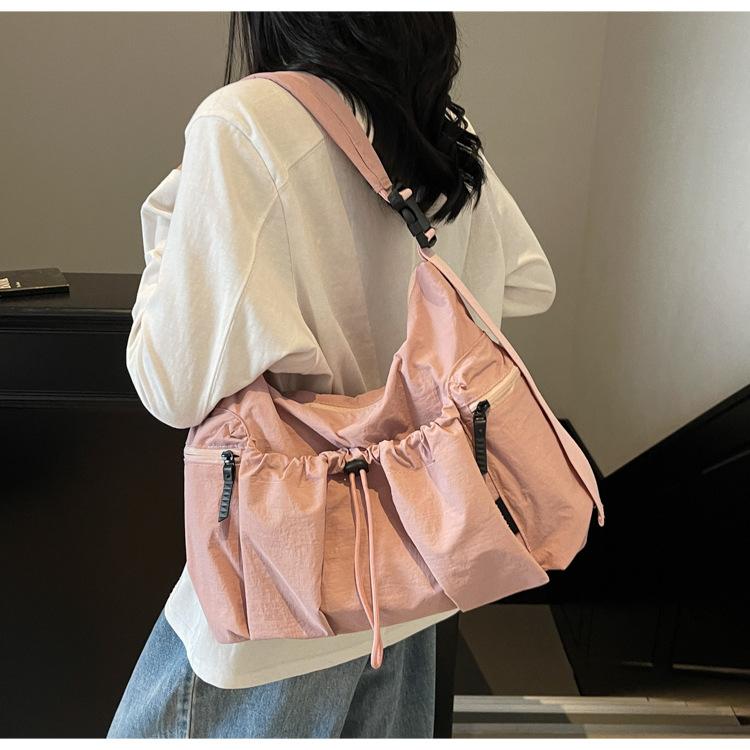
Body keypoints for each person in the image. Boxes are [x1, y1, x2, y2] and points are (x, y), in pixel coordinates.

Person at [107, 11, 556, 740]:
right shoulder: (440, 128)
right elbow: (531, 285)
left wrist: (172, 231)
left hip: (280, 596)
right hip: (410, 577)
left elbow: (170, 386)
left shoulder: (245, 120)